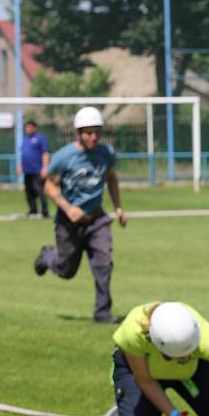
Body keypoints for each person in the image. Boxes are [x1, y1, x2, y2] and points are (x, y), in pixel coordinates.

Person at [34, 106, 126, 323]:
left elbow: (111, 178)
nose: (94, 137)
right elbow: (50, 187)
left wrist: (119, 207)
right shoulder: (64, 157)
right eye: (88, 132)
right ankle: (47, 256)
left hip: (97, 219)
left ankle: (102, 312)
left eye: (97, 132)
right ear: (78, 133)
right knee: (66, 270)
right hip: (69, 223)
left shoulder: (106, 154)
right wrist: (68, 208)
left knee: (104, 263)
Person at [17, 120, 50, 218]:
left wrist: (45, 167)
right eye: (26, 127)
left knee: (39, 190)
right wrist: (19, 166)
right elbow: (23, 155)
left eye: (30, 127)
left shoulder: (40, 138)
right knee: (28, 190)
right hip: (27, 170)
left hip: (38, 170)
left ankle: (45, 211)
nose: (28, 129)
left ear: (35, 128)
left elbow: (45, 153)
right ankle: (33, 210)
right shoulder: (25, 139)